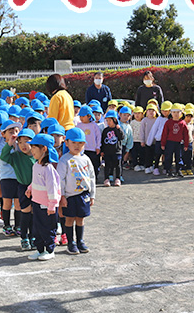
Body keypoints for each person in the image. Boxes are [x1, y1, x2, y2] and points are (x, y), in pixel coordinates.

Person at [58, 127, 96, 255]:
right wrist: (62, 196)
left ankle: (80, 241)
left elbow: (91, 177)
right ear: (67, 142)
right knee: (69, 219)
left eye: (80, 143)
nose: (77, 146)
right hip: (70, 196)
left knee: (80, 219)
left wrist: (92, 195)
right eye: (74, 142)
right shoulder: (64, 160)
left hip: (83, 195)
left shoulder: (86, 159)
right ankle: (70, 243)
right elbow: (61, 180)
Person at [26, 133, 62, 261]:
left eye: (34, 148)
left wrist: (52, 205)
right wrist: (30, 189)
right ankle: (40, 250)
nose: (32, 151)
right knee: (37, 228)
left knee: (48, 228)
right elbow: (35, 182)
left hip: (47, 206)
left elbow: (52, 188)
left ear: (44, 149)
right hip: (36, 202)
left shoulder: (49, 169)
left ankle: (50, 250)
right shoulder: (36, 166)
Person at [1, 127, 37, 251]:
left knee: (34, 213)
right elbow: (4, 157)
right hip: (23, 188)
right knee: (25, 212)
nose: (23, 145)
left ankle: (33, 237)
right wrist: (10, 144)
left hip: (37, 189)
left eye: (27, 141)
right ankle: (24, 237)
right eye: (20, 142)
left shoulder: (37, 157)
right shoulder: (16, 156)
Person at [0, 120, 22, 236]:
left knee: (18, 203)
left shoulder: (20, 146)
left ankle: (18, 225)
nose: (14, 134)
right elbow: (3, 159)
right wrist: (10, 145)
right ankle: (6, 225)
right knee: (7, 203)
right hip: (7, 178)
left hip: (18, 178)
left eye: (16, 131)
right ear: (3, 134)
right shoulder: (0, 146)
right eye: (10, 131)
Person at [161, 104, 189, 177]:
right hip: (170, 142)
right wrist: (163, 144)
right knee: (169, 156)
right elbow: (164, 134)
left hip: (179, 143)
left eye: (178, 112)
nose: (176, 114)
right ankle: (168, 170)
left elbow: (186, 135)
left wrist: (186, 144)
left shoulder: (182, 123)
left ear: (181, 113)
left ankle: (178, 170)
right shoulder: (168, 122)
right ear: (171, 113)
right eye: (174, 112)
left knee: (178, 157)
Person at [101, 110, 125, 186]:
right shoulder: (105, 130)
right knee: (107, 165)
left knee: (118, 165)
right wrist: (102, 150)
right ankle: (106, 179)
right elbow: (103, 141)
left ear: (115, 120)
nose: (108, 122)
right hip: (107, 151)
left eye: (110, 120)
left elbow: (122, 137)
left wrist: (118, 128)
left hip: (117, 151)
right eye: (107, 120)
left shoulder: (118, 129)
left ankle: (118, 178)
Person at [140, 104, 158, 174]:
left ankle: (152, 165)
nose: (151, 112)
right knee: (147, 154)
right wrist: (142, 140)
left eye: (153, 110)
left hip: (155, 141)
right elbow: (142, 131)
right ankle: (147, 166)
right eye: (149, 110)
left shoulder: (156, 120)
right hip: (147, 141)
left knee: (154, 154)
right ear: (146, 112)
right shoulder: (144, 120)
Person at [130, 106, 145, 171]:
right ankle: (135, 165)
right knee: (134, 154)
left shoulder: (144, 122)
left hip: (141, 141)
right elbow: (131, 132)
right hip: (134, 140)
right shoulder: (132, 122)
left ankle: (141, 164)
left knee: (142, 153)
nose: (137, 115)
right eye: (135, 113)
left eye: (139, 113)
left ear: (142, 114)